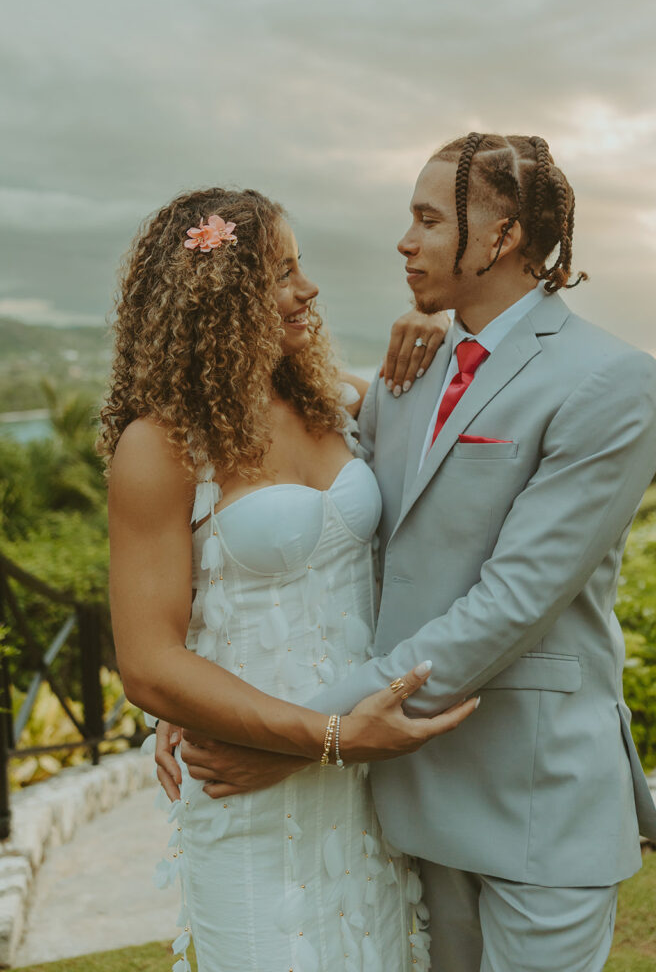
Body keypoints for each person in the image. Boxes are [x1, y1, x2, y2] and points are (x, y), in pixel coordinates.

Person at [158, 135, 656, 972]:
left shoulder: (608, 380)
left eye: (427, 220)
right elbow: (337, 535)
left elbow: (512, 599)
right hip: (407, 795)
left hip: (536, 793)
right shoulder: (408, 375)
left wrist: (299, 734)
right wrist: (207, 694)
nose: (404, 240)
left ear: (500, 237)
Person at [101, 186, 475, 972]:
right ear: (215, 300)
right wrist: (330, 737)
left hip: (372, 785)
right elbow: (149, 662)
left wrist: (436, 334)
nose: (305, 290)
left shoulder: (336, 402)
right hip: (249, 781)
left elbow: (451, 487)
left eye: (299, 268)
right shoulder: (161, 444)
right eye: (276, 275)